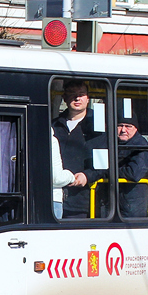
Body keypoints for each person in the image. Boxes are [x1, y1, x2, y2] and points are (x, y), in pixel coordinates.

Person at [51, 80, 107, 218]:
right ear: (64, 98)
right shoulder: (54, 125)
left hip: (83, 203)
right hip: (53, 199)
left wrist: (87, 176)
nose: (77, 98)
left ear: (88, 98)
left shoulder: (98, 127)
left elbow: (104, 163)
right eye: (72, 94)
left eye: (81, 94)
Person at [116, 114, 148, 217]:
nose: (123, 130)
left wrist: (108, 171)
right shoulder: (112, 142)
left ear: (136, 128)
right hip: (115, 202)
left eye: (128, 126)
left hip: (132, 207)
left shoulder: (141, 145)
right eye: (120, 125)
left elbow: (134, 173)